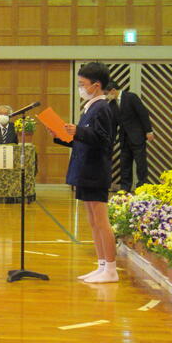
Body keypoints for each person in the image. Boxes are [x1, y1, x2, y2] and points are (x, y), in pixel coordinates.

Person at [51, 62, 117, 284]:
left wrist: (78, 131)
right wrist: (62, 135)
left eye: (82, 84)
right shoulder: (90, 107)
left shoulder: (103, 108)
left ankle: (111, 268)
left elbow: (104, 140)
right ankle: (101, 265)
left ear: (96, 85)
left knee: (101, 221)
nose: (80, 88)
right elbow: (83, 141)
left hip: (96, 171)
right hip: (86, 169)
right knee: (93, 222)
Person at [106, 81, 154, 192]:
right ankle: (125, 187)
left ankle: (142, 187)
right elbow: (113, 124)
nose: (106, 96)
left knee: (141, 163)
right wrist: (111, 141)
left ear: (113, 90)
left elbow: (143, 114)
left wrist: (149, 131)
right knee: (125, 164)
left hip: (137, 136)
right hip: (124, 138)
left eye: (107, 93)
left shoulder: (131, 97)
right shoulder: (112, 104)